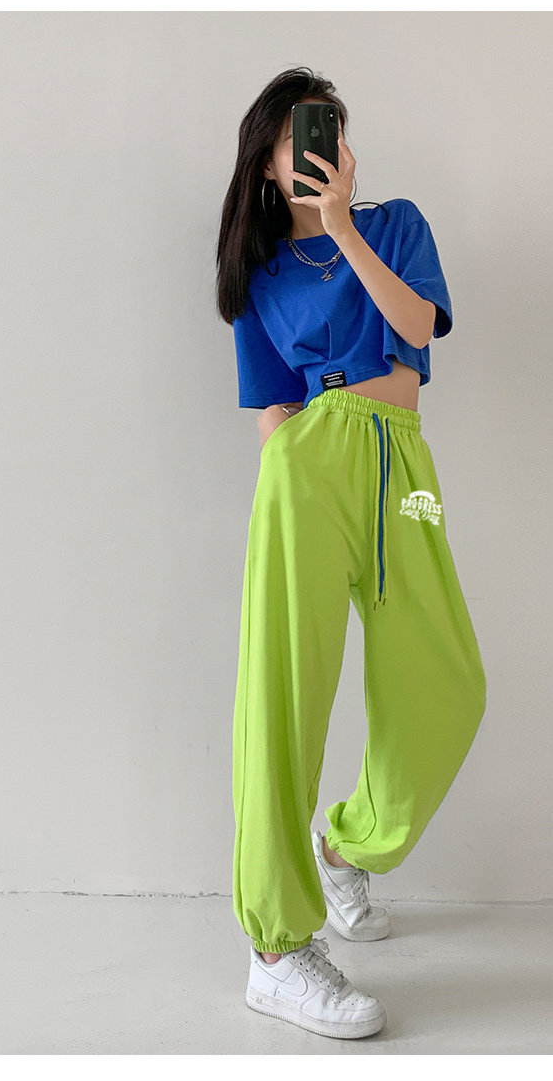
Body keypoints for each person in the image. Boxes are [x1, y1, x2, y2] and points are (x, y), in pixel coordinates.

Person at [214, 67, 486, 1041]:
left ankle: (345, 849)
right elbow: (271, 413)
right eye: (304, 135)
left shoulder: (395, 225)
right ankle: (276, 953)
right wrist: (293, 480)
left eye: (333, 129)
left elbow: (415, 329)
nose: (326, 147)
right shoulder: (259, 278)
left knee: (448, 683)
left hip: (402, 465)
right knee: (284, 695)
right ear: (266, 164)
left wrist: (343, 226)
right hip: (308, 465)